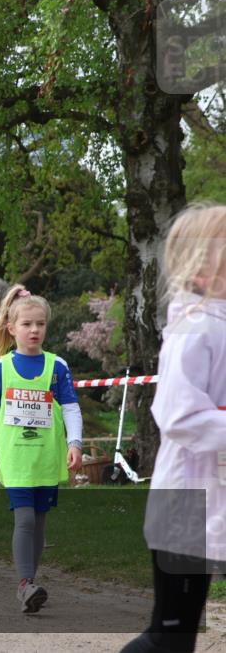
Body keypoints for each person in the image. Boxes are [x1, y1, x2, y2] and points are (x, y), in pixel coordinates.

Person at [120, 204, 226, 653]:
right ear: (203, 266)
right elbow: (178, 415)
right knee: (171, 637)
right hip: (187, 503)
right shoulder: (193, 327)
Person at [0, 284, 83, 615]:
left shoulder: (58, 366)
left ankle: (30, 584)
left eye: (40, 324)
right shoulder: (1, 368)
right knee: (24, 518)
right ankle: (25, 583)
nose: (34, 330)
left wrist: (75, 443)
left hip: (46, 458)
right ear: (12, 329)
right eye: (27, 324)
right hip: (16, 458)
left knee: (39, 522)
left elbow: (71, 408)